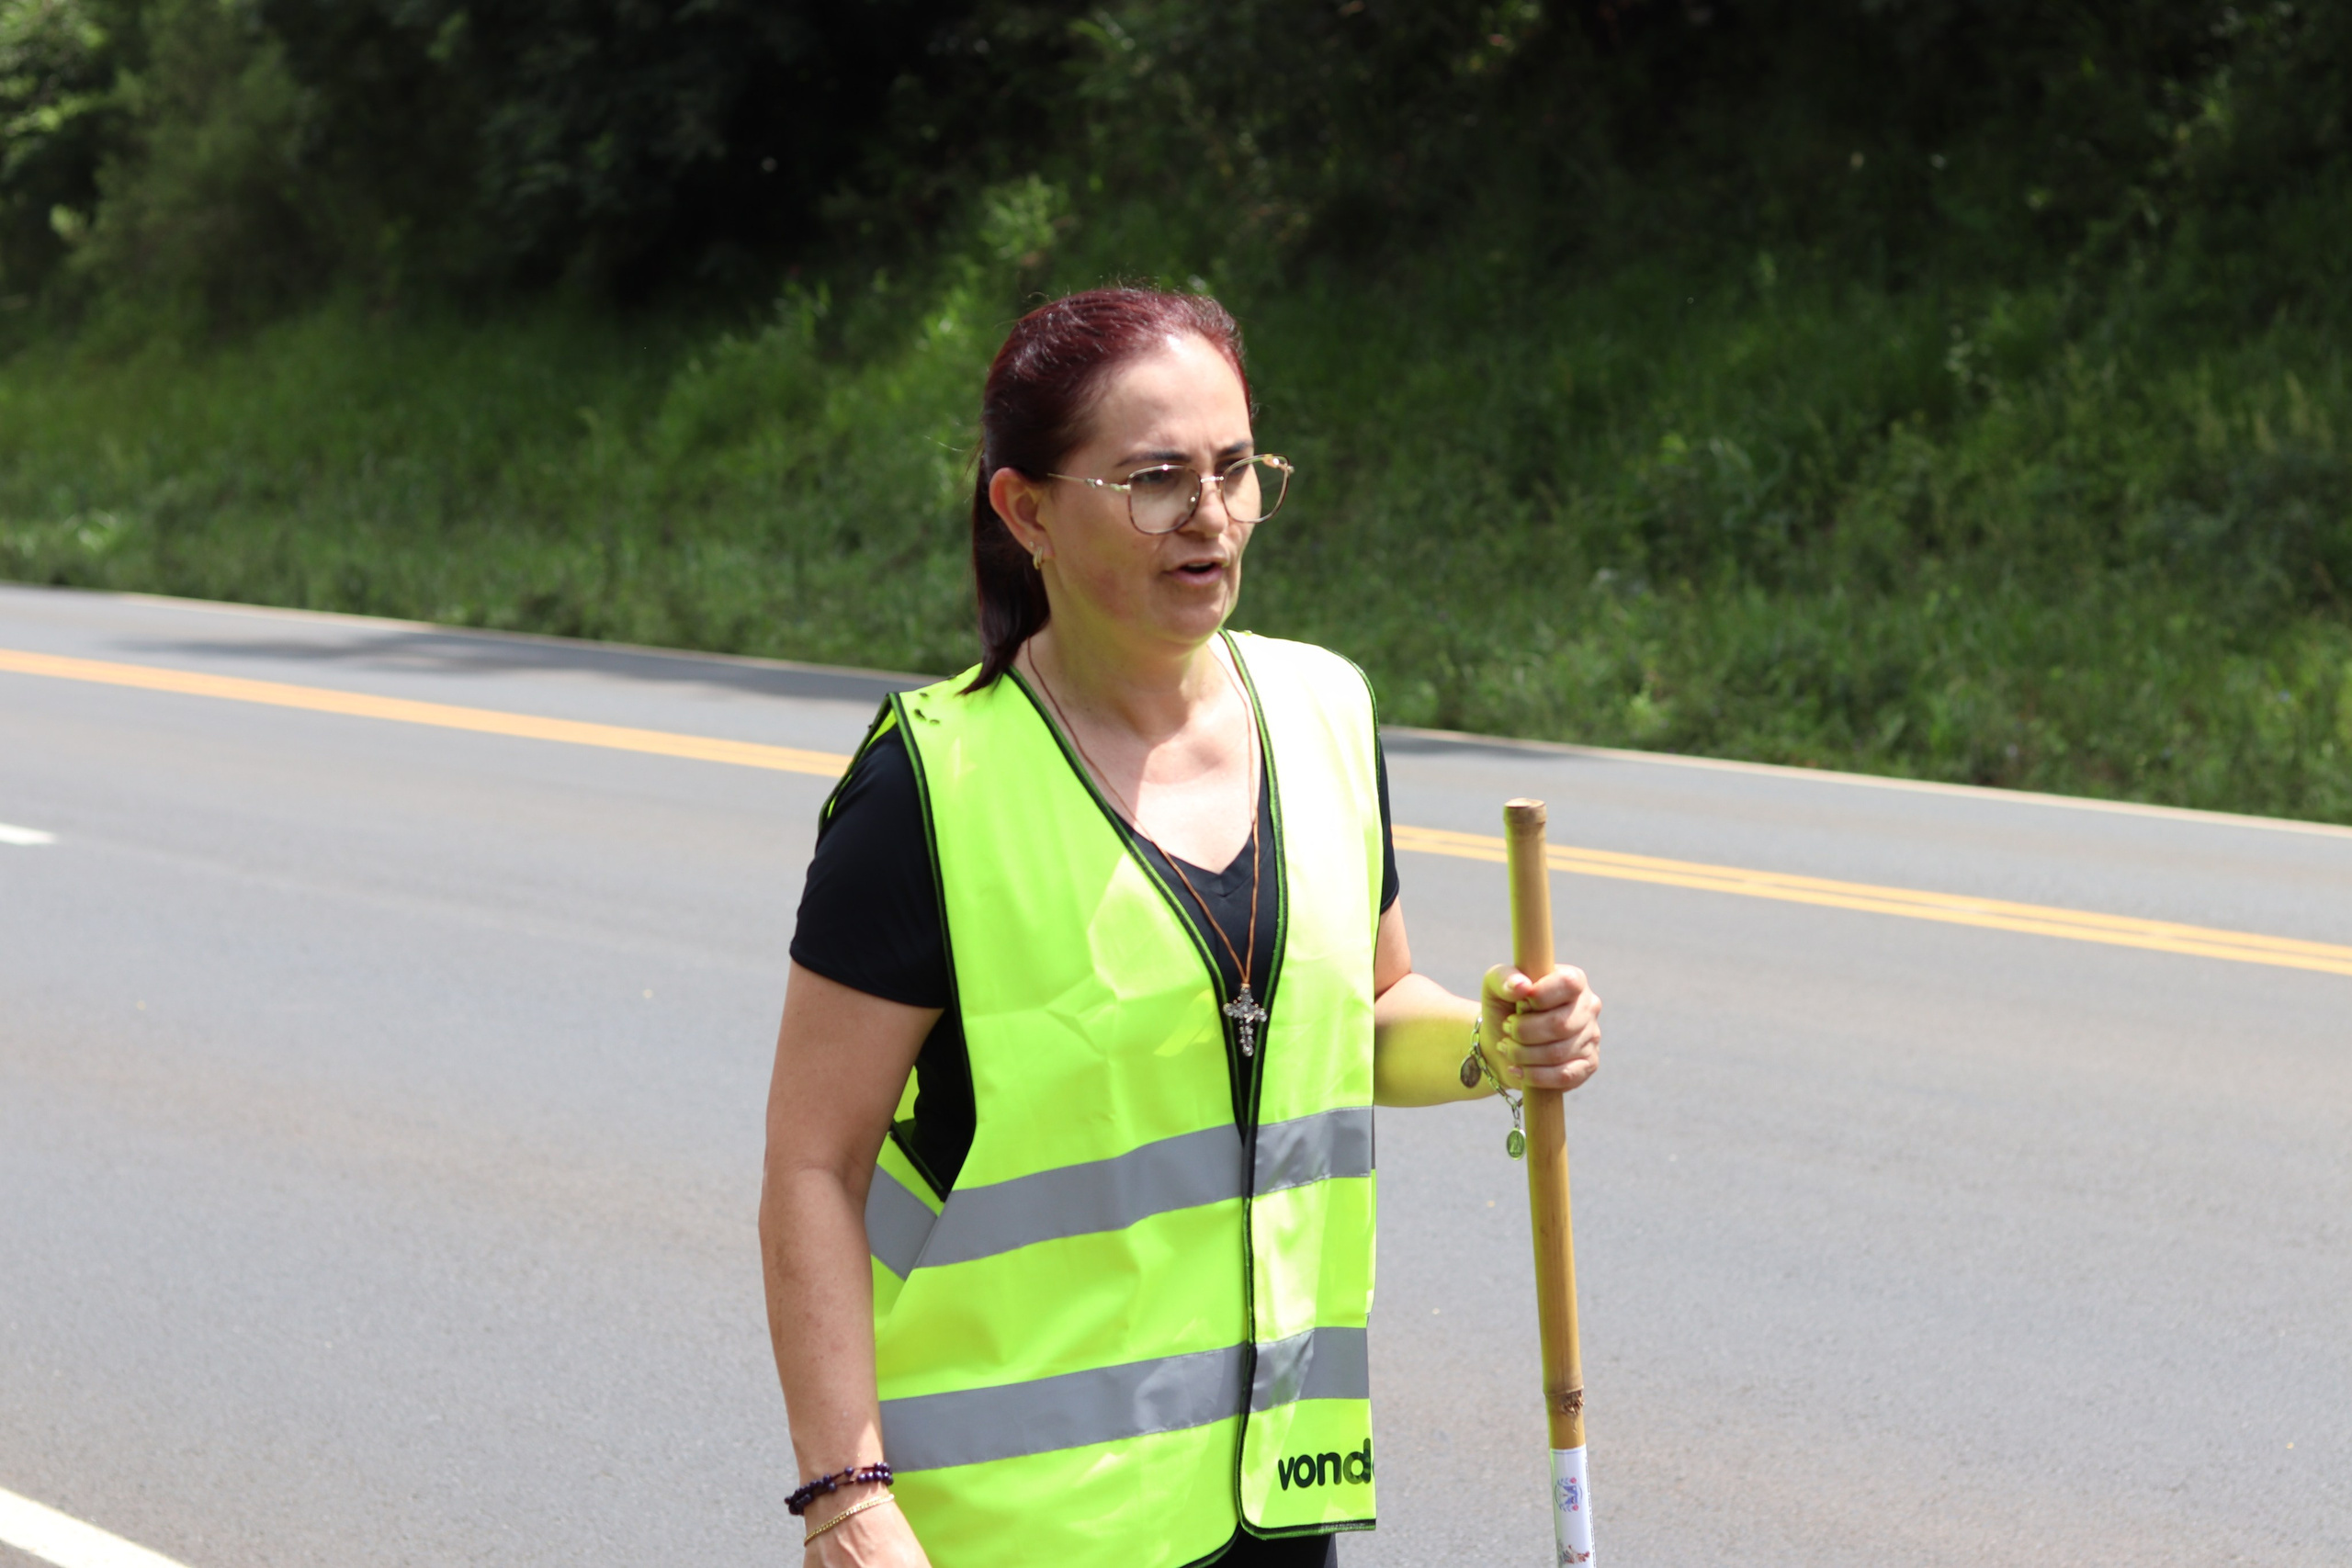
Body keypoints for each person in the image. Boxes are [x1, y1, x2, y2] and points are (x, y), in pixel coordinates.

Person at [759, 287, 1601, 1568]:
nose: (1210, 516)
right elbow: (813, 1168)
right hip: (1019, 1528)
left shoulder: (1325, 713)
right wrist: (844, 1494)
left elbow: (1365, 1018)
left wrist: (1496, 1045)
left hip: (1273, 1497)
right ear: (1026, 509)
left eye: (1236, 470)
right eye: (1155, 480)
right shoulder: (929, 793)